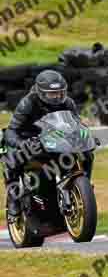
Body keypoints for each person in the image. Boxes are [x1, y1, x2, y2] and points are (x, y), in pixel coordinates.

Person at [3, 70, 78, 218]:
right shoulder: (27, 103)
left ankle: (81, 182)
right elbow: (11, 131)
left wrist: (84, 136)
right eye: (52, 94)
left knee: (86, 153)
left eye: (60, 93)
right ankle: (13, 197)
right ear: (41, 92)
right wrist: (21, 143)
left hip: (54, 138)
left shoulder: (68, 102)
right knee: (13, 157)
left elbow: (77, 125)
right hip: (29, 138)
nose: (57, 97)